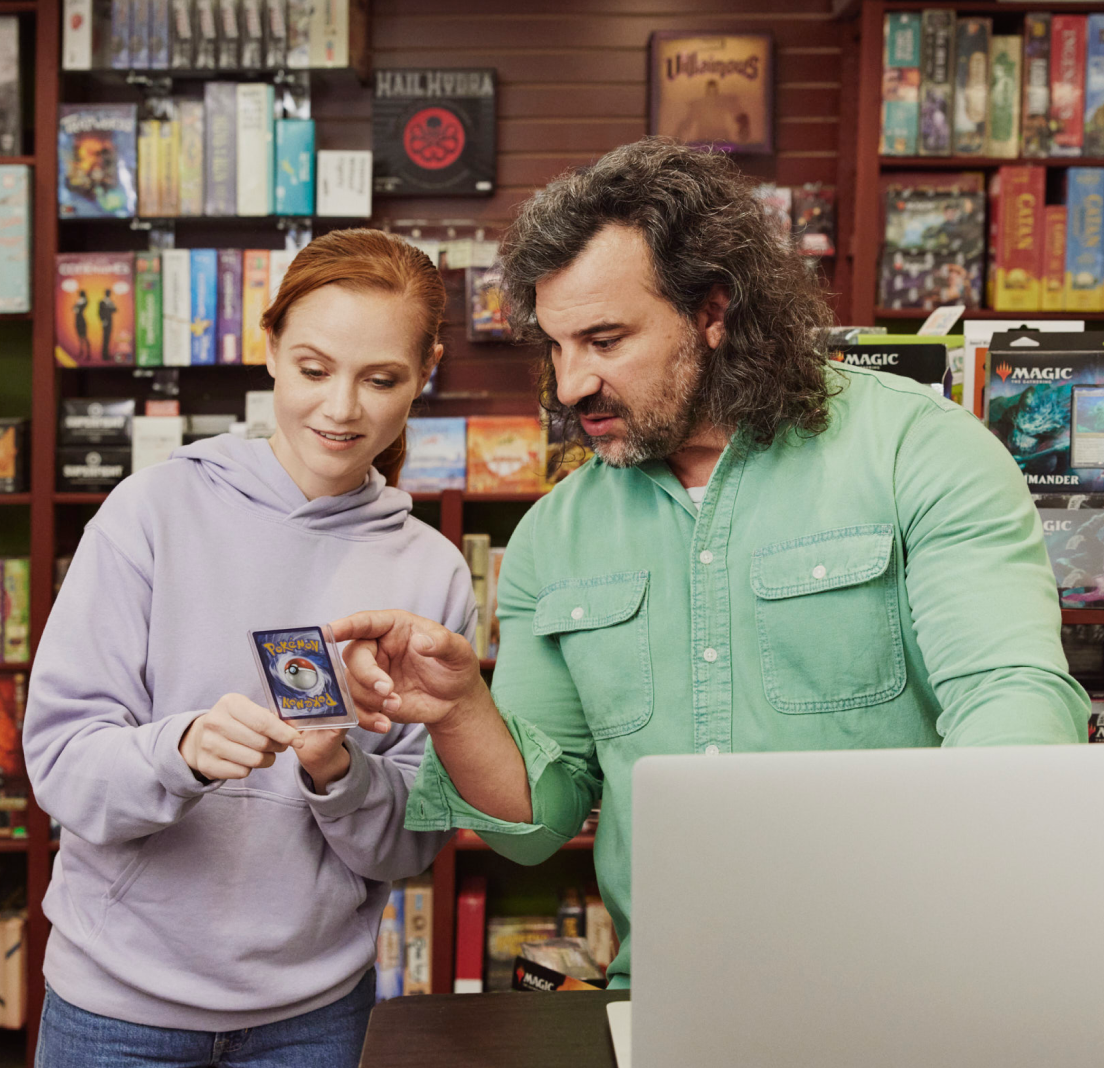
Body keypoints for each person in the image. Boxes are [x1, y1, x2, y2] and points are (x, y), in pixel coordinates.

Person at [330, 138, 1090, 991]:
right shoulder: (553, 535)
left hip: (915, 982)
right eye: (555, 346)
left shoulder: (918, 449)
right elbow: (535, 830)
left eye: (605, 340)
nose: (571, 383)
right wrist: (461, 710)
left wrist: (960, 921)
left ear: (713, 310)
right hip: (671, 995)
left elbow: (1012, 699)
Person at [24, 228, 472, 1067]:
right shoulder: (149, 512)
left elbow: (415, 839)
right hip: (115, 1009)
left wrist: (339, 774)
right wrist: (179, 750)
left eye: (381, 380)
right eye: (313, 369)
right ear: (268, 350)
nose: (342, 409)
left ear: (426, 371)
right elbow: (60, 767)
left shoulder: (433, 572)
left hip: (313, 1018)